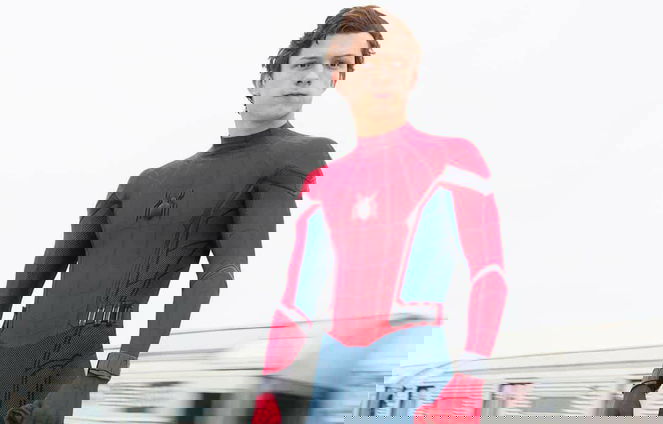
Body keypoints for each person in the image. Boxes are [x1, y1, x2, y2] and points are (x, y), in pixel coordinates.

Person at [0, 6, 380, 421]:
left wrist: (96, 377)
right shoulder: (149, 178)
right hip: (14, 331)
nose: (313, 77)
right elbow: (51, 261)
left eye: (333, 70)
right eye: (307, 63)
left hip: (63, 358)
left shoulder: (300, 153)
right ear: (272, 70)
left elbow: (216, 276)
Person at [257, 8, 507, 424]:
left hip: (413, 363)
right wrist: (269, 392)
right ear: (340, 78)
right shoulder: (325, 183)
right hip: (335, 369)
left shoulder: (451, 158)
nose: (383, 76)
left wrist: (471, 373)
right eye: (367, 64)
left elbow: (488, 272)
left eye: (395, 62)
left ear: (413, 73)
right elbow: (295, 305)